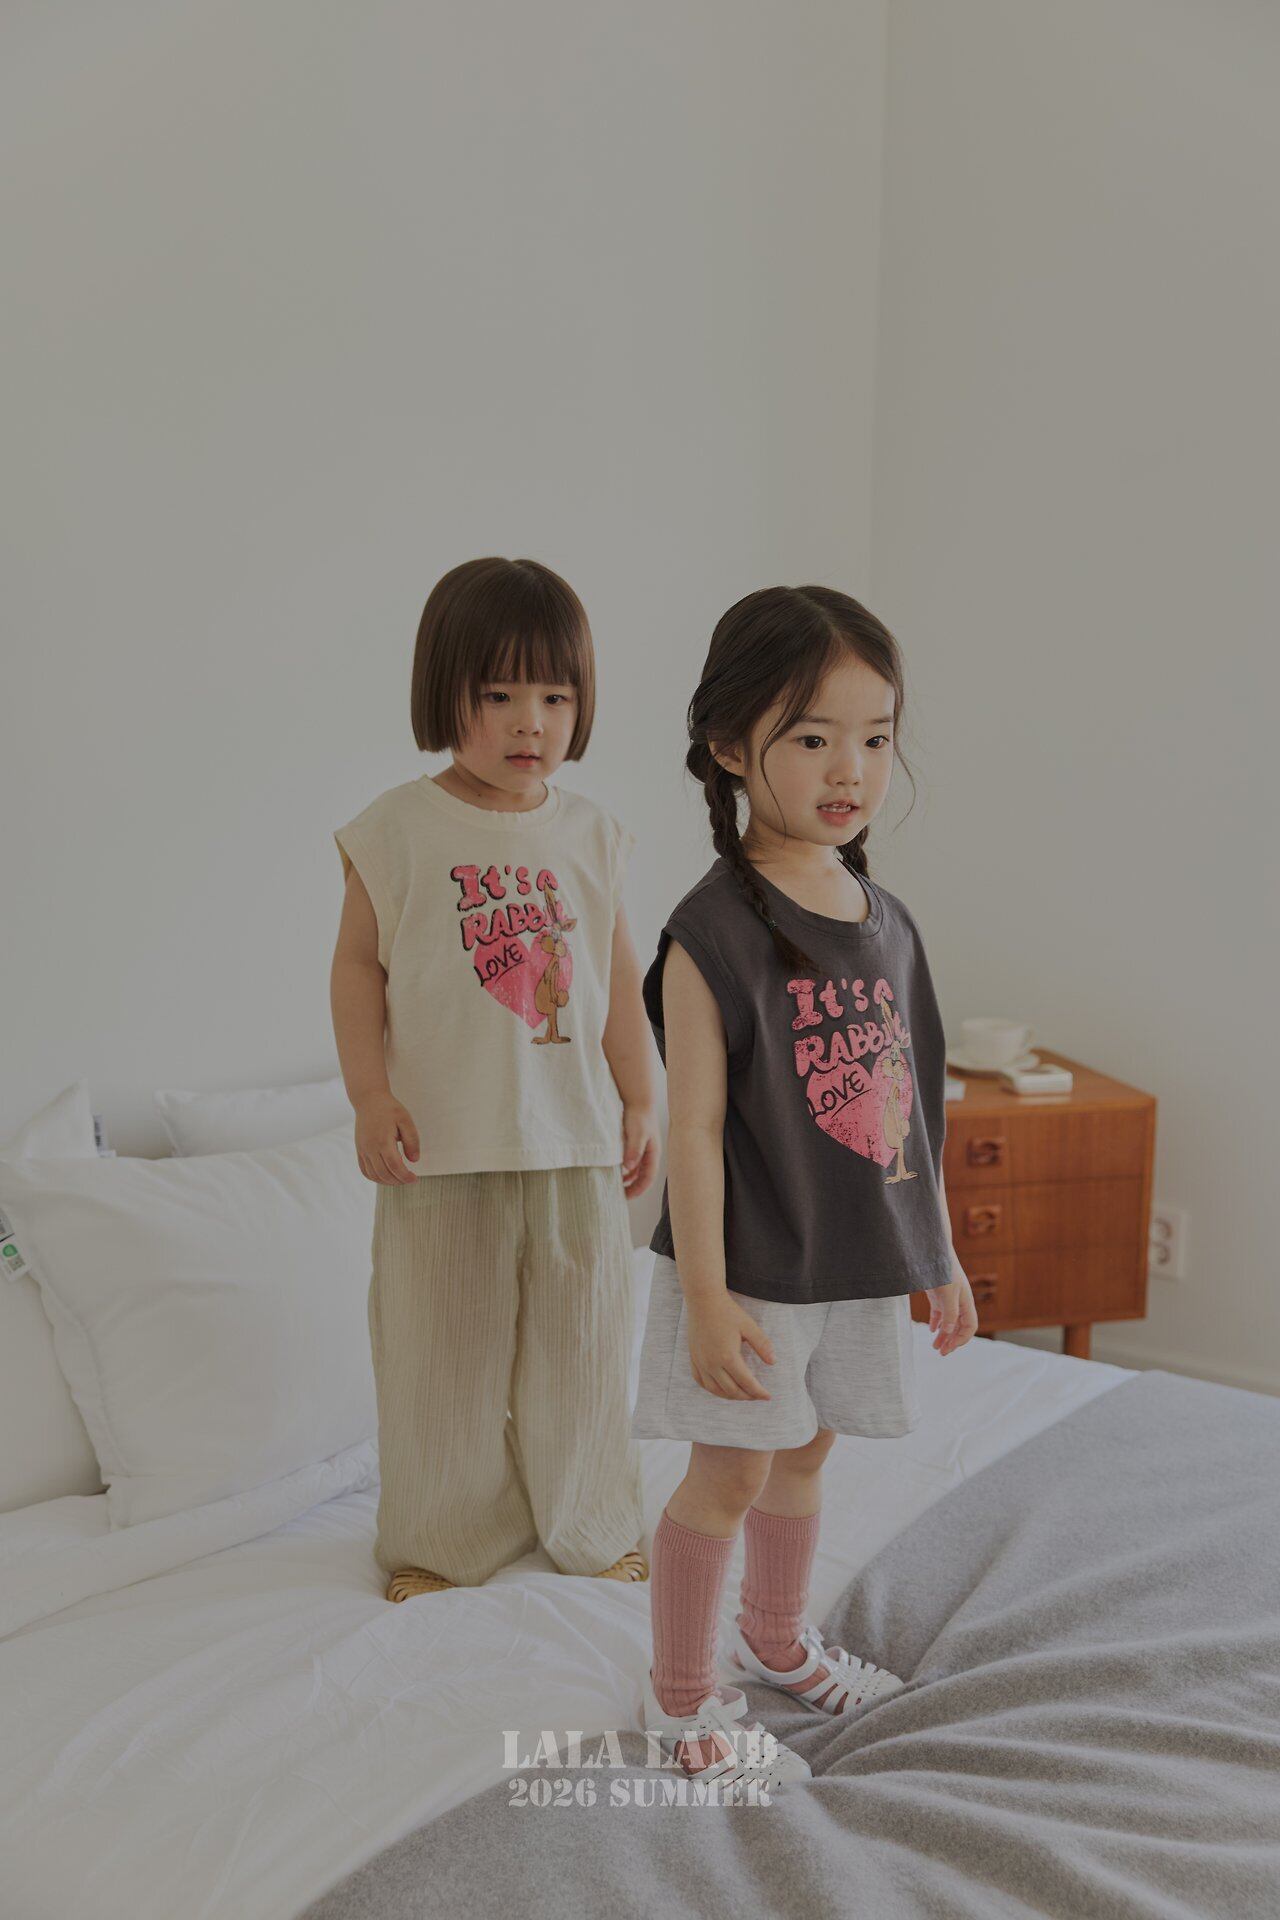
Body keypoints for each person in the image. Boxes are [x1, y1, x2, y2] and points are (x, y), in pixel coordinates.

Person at [633, 584, 979, 1790]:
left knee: (808, 1456)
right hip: (751, 1271)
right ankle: (681, 1699)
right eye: (813, 736)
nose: (850, 769)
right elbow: (690, 1131)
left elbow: (910, 1104)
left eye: (874, 738)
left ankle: (775, 1641)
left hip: (856, 1259)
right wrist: (706, 1298)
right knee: (728, 1472)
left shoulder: (886, 921)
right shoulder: (708, 932)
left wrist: (935, 1252)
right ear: (730, 747)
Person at [330, 556, 659, 1599]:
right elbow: (357, 970)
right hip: (443, 1149)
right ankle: (441, 1542)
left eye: (555, 697)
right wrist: (370, 1096)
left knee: (583, 1350)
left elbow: (616, 978)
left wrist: (642, 1096)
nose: (531, 722)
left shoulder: (592, 835)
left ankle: (590, 1522)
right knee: (441, 1360)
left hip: (572, 1142)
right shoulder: (396, 829)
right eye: (500, 694)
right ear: (447, 693)